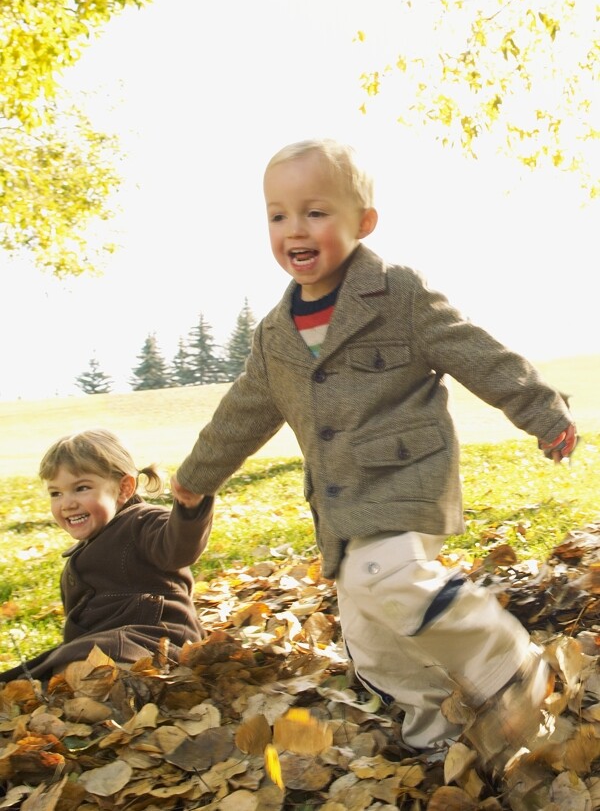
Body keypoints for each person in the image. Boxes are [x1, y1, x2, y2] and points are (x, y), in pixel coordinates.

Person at [171, 138, 577, 767]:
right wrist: (197, 476)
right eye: (278, 215)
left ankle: (505, 659)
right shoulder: (275, 336)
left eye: (315, 212)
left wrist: (543, 412)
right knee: (365, 632)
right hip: (340, 503)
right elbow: (242, 413)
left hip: (408, 476)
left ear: (363, 223)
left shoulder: (397, 293)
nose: (293, 229)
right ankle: (435, 715)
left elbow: (478, 354)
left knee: (382, 574)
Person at [0, 429, 214, 683]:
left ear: (124, 488)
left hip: (157, 638)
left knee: (87, 659)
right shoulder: (89, 546)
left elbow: (178, 548)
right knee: (41, 669)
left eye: (81, 488)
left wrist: (190, 510)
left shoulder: (143, 522)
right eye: (56, 493)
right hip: (105, 643)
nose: (67, 503)